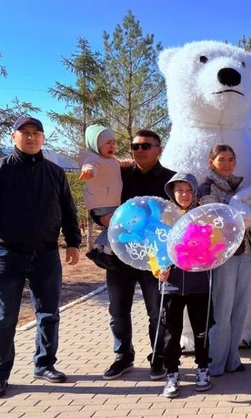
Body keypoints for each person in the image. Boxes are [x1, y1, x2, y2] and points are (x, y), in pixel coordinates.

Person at [0, 116, 82, 399]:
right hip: (7, 255)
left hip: (47, 254)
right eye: (24, 133)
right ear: (13, 137)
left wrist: (73, 242)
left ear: (43, 138)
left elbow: (68, 208)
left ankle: (44, 364)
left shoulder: (55, 172)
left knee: (49, 314)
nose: (31, 137)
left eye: (36, 133)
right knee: (2, 319)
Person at [102, 129, 175, 381]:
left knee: (158, 312)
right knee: (118, 310)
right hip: (121, 254)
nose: (139, 151)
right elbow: (99, 198)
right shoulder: (119, 175)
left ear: (159, 149)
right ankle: (123, 356)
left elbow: (180, 216)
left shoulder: (172, 180)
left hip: (155, 258)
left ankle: (159, 358)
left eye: (146, 146)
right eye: (135, 147)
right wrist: (99, 217)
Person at [199, 144, 251, 376]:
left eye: (230, 159)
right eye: (221, 159)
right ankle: (215, 363)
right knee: (222, 311)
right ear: (211, 161)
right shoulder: (206, 187)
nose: (227, 164)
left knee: (240, 308)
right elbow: (214, 217)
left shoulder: (241, 185)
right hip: (222, 254)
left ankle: (233, 359)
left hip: (245, 250)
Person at [157, 172, 213, 398]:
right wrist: (157, 269)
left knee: (202, 329)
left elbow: (215, 244)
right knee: (171, 331)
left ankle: (203, 368)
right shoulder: (164, 217)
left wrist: (209, 256)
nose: (185, 195)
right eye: (180, 190)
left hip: (199, 282)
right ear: (172, 192)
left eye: (189, 190)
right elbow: (155, 247)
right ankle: (172, 372)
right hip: (171, 285)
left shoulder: (204, 216)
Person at [78, 124, 122, 270]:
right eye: (107, 143)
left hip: (110, 202)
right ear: (96, 145)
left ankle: (98, 250)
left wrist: (132, 162)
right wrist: (88, 172)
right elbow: (90, 166)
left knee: (112, 226)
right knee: (120, 224)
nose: (112, 146)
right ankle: (106, 253)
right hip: (101, 204)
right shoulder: (92, 159)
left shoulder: (112, 160)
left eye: (114, 142)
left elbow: (121, 163)